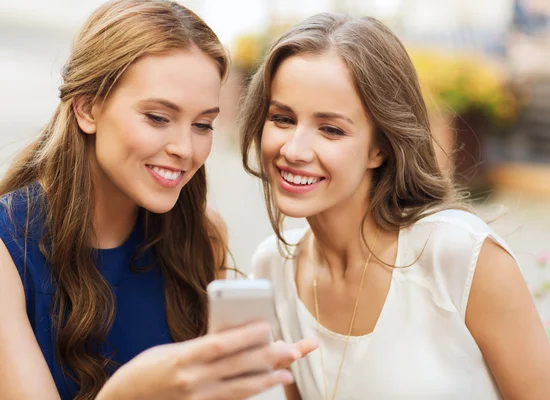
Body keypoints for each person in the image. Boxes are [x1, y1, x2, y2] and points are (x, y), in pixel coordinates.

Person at [240, 13, 550, 400]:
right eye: (282, 118)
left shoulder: (460, 257)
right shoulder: (273, 267)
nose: (294, 150)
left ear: (380, 146)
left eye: (331, 129)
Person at [0, 1, 316, 399]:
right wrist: (128, 393)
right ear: (87, 108)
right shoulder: (8, 253)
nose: (185, 148)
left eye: (203, 124)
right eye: (158, 118)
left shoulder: (202, 235)